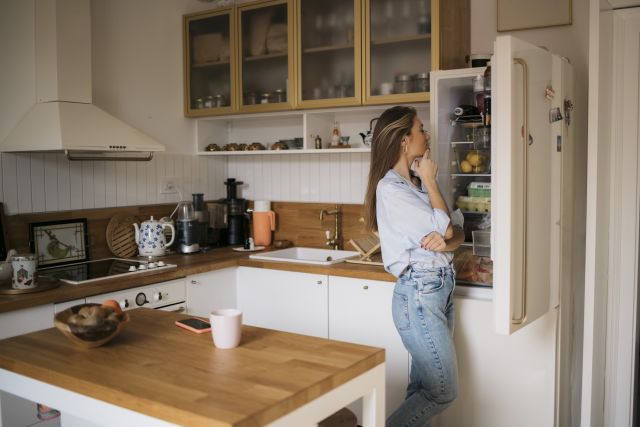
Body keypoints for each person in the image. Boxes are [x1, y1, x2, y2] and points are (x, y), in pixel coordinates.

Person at [364, 106, 465, 426]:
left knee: (421, 389)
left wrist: (448, 237)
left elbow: (456, 231)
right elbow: (449, 229)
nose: (428, 135)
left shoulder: (416, 186)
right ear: (405, 140)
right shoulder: (391, 189)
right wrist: (433, 181)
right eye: (422, 129)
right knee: (442, 391)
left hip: (439, 288)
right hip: (420, 292)